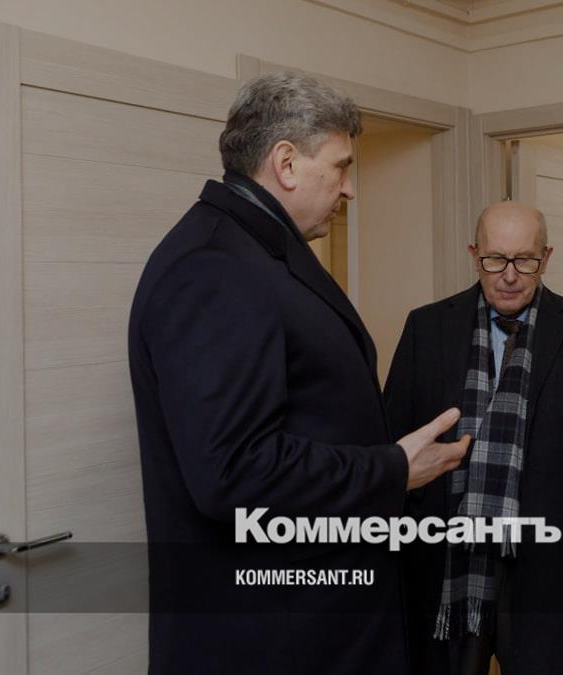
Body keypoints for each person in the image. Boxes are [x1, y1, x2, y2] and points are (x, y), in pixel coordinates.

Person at [128, 71, 469, 674]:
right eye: (340, 167)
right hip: (273, 638)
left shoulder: (255, 250)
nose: (349, 189)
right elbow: (234, 472)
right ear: (286, 163)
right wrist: (393, 468)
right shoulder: (214, 267)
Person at [385, 201, 563, 674]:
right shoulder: (426, 327)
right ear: (474, 254)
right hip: (444, 562)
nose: (510, 276)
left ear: (547, 257)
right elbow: (394, 446)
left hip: (551, 566)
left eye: (525, 260)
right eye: (495, 259)